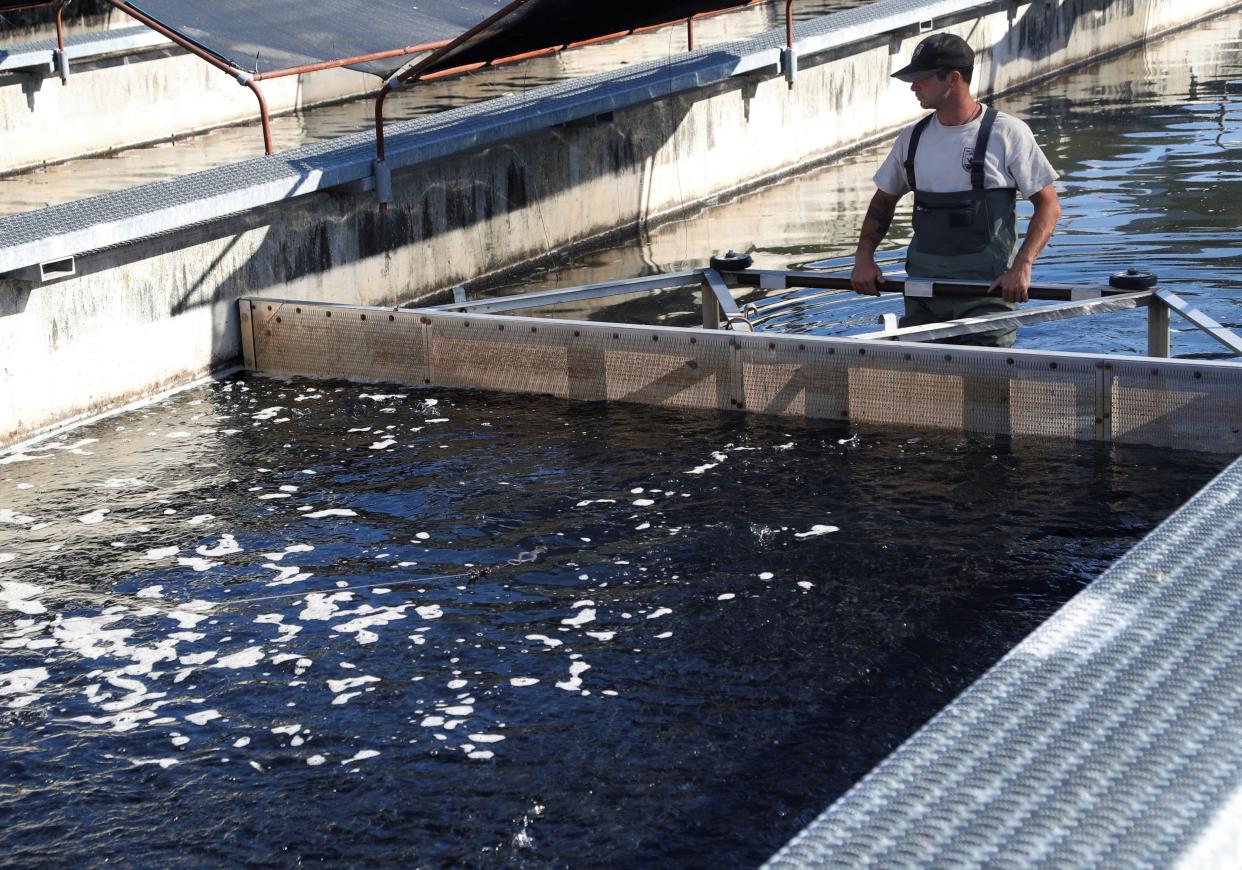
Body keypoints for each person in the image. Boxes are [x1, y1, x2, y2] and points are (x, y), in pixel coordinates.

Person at [850, 33, 1061, 347]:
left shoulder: (1007, 133)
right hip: (923, 295)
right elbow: (883, 202)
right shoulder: (912, 138)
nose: (913, 86)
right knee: (922, 386)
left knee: (988, 388)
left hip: (986, 296)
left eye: (921, 78)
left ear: (954, 78)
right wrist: (863, 258)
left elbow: (1049, 206)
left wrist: (1022, 266)